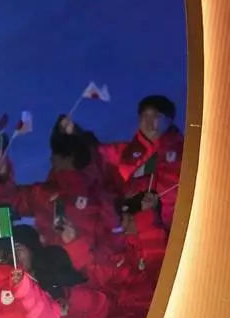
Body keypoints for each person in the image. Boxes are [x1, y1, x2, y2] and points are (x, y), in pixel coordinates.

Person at [62, 94, 183, 229]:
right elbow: (97, 151)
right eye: (144, 116)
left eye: (156, 116)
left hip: (175, 227)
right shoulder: (127, 152)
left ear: (169, 120)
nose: (149, 121)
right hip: (137, 229)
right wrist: (75, 132)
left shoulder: (186, 151)